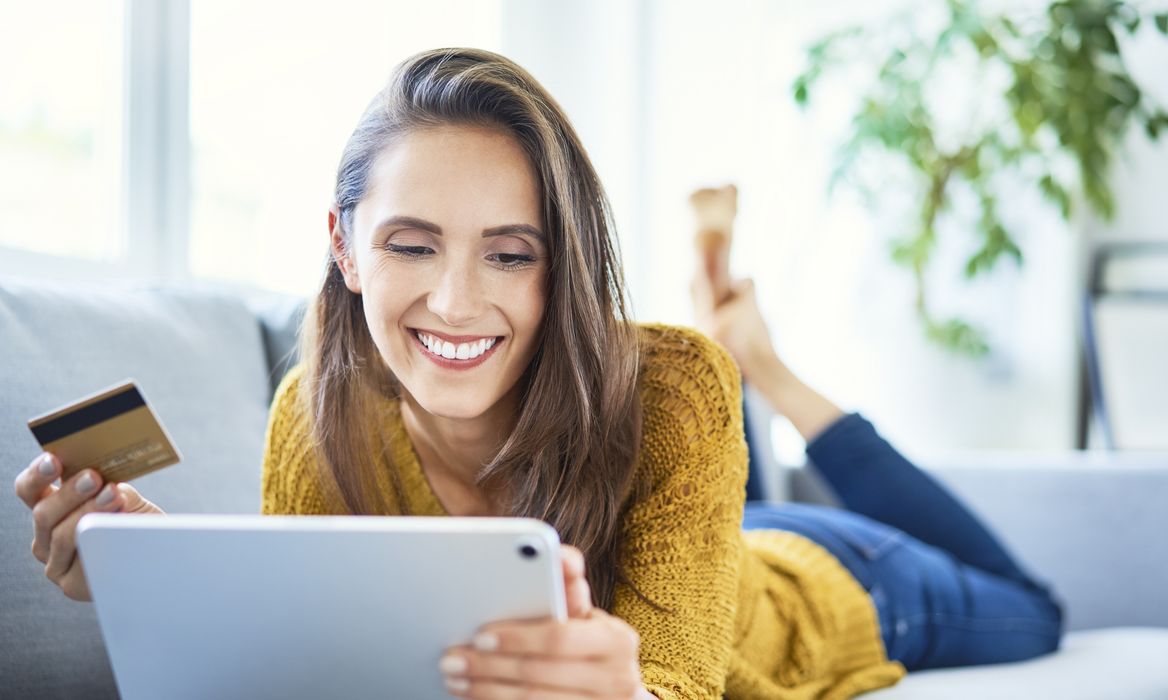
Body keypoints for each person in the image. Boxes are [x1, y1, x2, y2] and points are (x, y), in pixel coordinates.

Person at [11, 48, 1059, 700]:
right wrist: (150, 585)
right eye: (413, 245)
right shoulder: (312, 413)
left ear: (562, 259)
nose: (458, 303)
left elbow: (680, 685)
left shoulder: (677, 386)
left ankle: (771, 369)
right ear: (343, 244)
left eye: (511, 254)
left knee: (1037, 606)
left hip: (835, 589)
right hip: (713, 542)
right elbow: (311, 666)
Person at [689, 184, 1065, 672]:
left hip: (816, 570)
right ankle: (731, 361)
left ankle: (734, 358)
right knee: (1033, 607)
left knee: (1032, 609)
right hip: (771, 542)